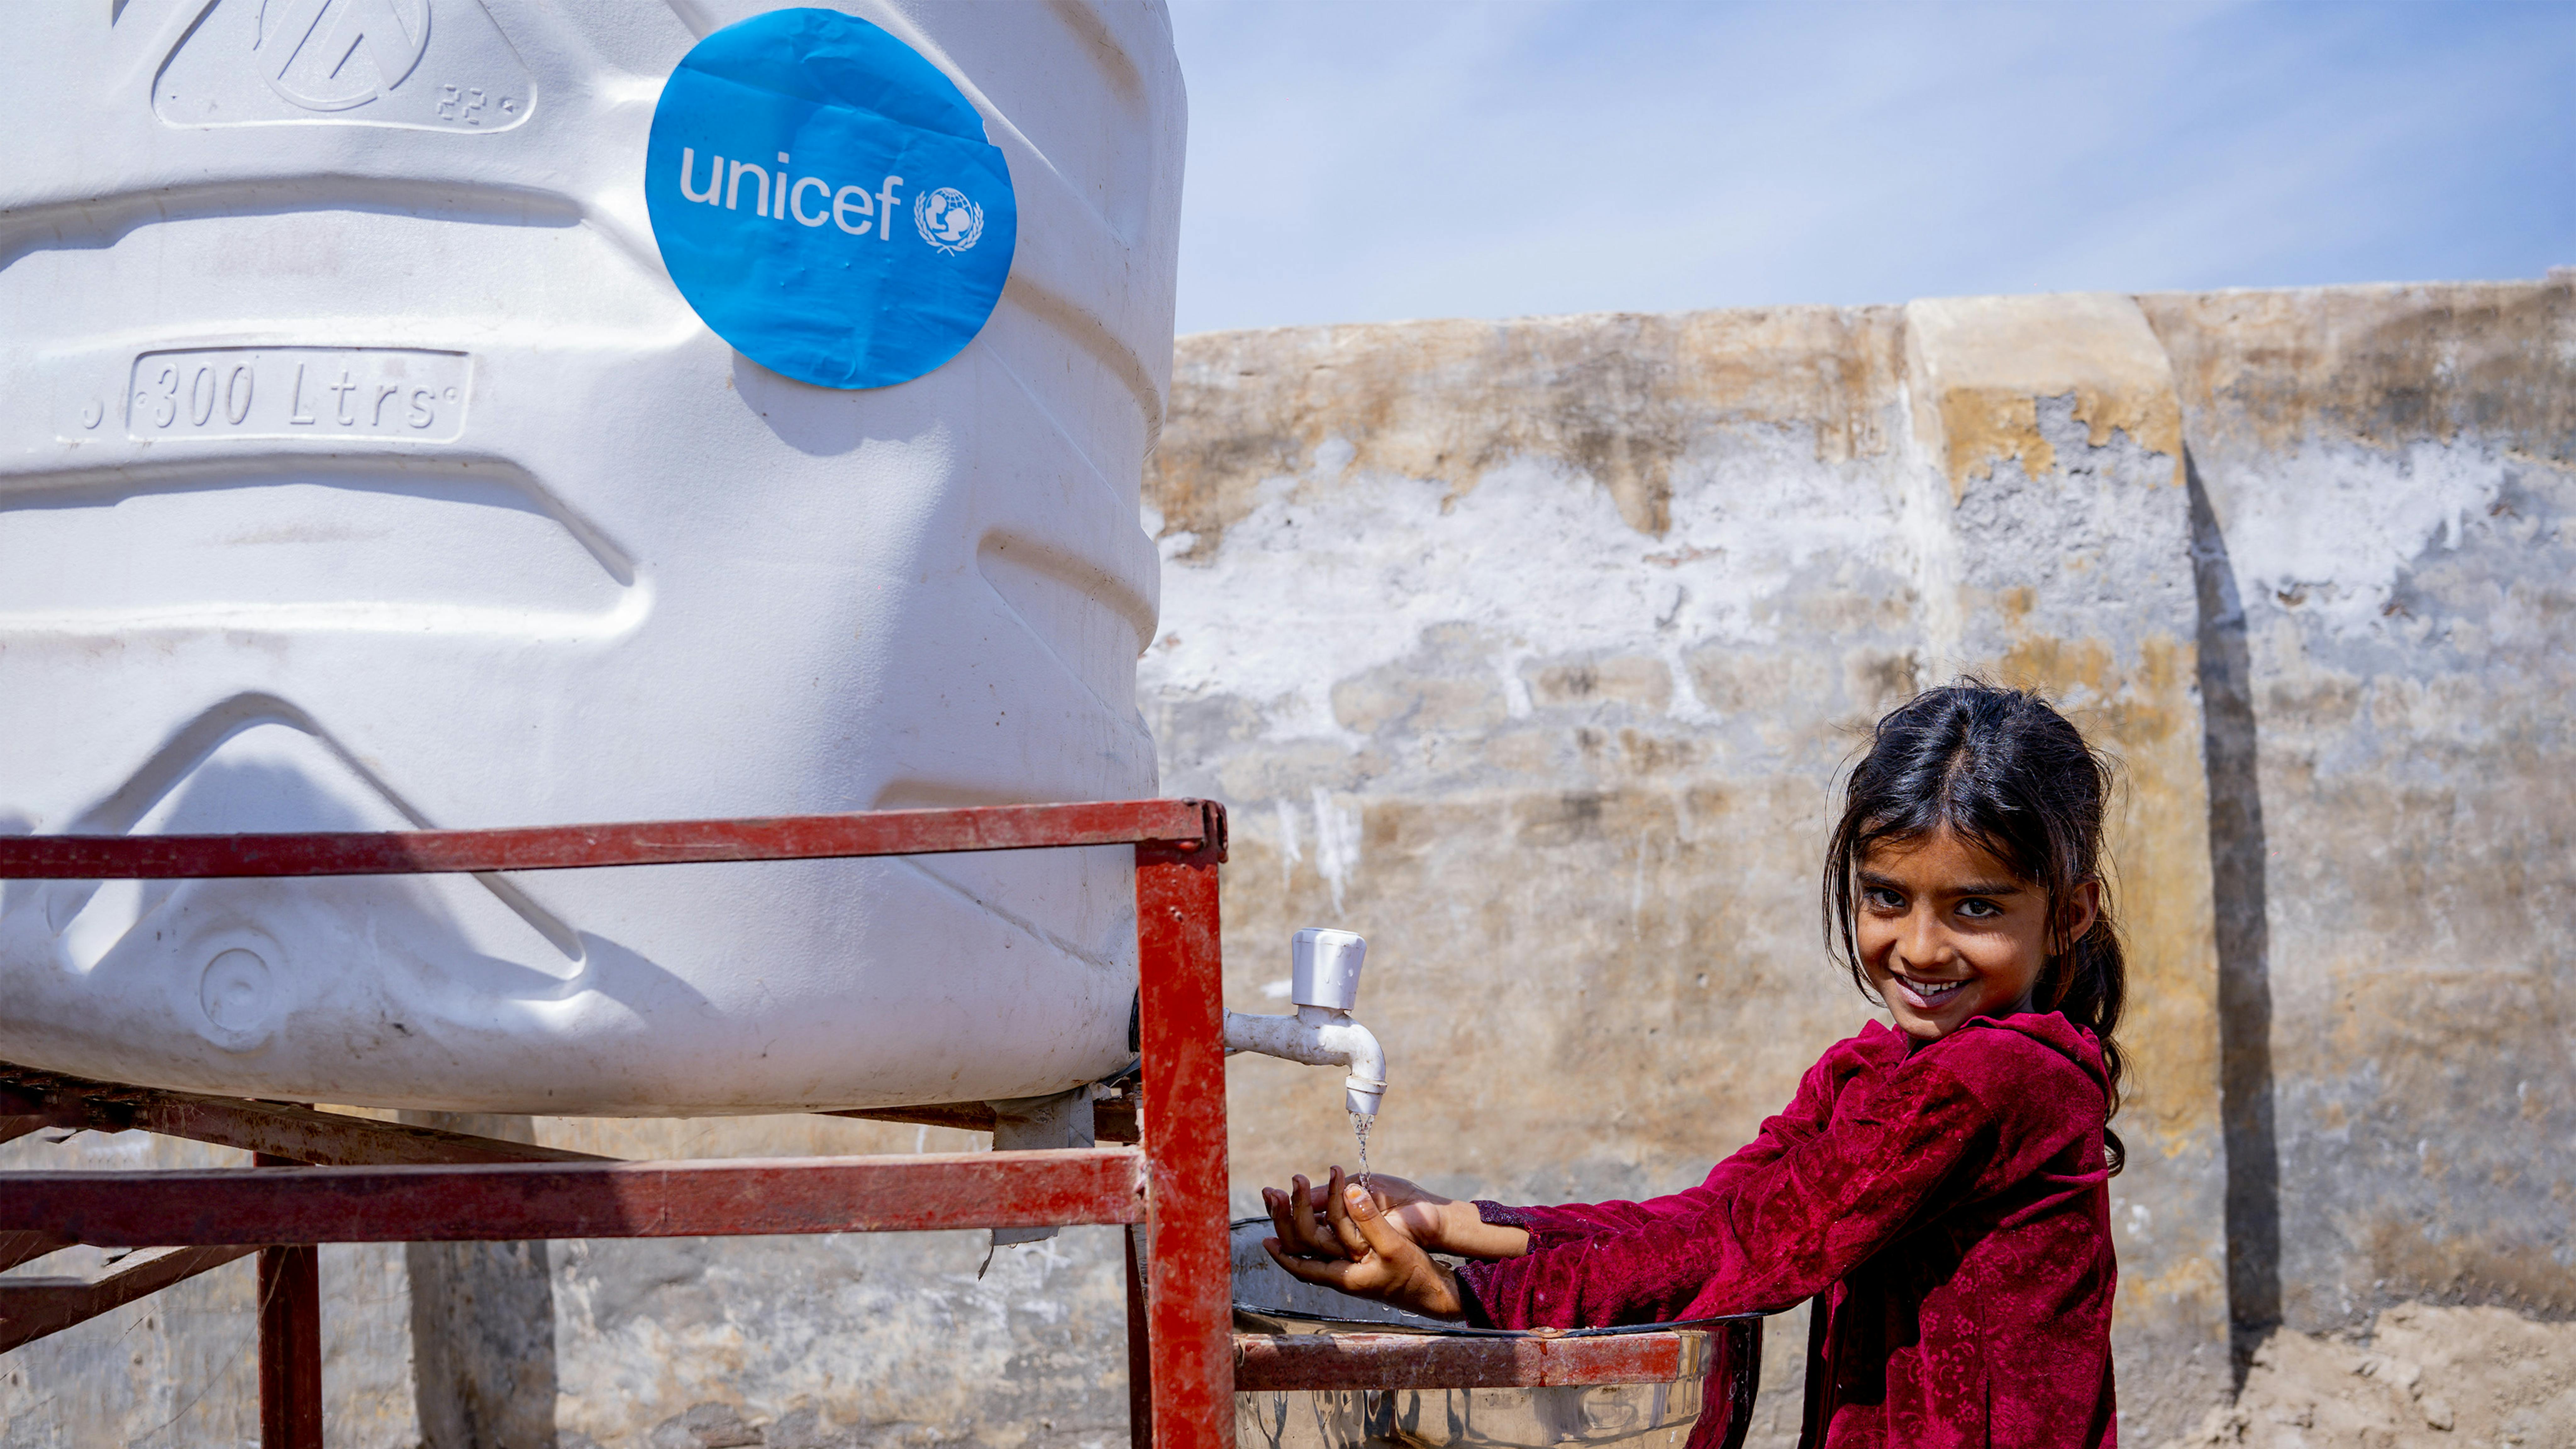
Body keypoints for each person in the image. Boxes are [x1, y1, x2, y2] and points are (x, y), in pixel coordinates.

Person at [1262, 682, 2126, 1448]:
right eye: (1887, 897)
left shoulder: (1995, 1079)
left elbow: (1749, 1247)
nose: (1921, 946)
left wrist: (1465, 1299)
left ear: (2070, 912)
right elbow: (1717, 1212)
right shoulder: (1876, 1069)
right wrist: (1455, 1224)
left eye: (1976, 907)